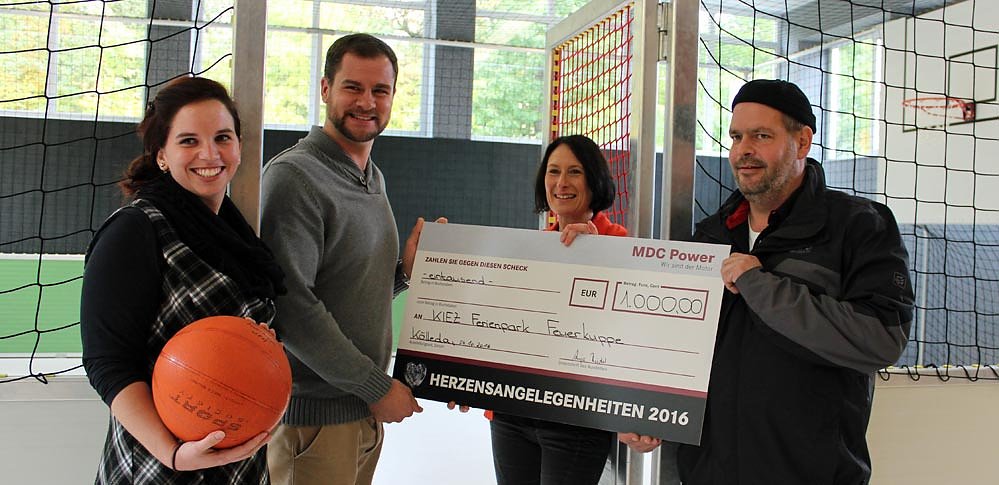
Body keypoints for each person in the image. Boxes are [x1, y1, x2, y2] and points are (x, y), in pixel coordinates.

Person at [619, 79, 914, 484]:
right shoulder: (711, 237)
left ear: (802, 141)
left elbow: (881, 339)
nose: (744, 150)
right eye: (736, 137)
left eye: (761, 136)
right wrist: (649, 411)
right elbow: (679, 347)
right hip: (709, 474)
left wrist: (759, 284)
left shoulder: (859, 225)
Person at [81, 76, 287, 484]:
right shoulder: (135, 229)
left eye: (222, 138)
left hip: (239, 465)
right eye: (189, 141)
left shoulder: (237, 234)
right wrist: (173, 454)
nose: (210, 153)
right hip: (159, 466)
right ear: (162, 155)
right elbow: (107, 363)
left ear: (239, 146)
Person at [260, 33, 441, 485]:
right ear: (325, 89)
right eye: (353, 87)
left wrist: (404, 274)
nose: (367, 102)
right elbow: (291, 305)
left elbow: (344, 288)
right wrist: (376, 387)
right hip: (313, 423)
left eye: (380, 90)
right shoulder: (295, 176)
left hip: (358, 414)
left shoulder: (370, 177)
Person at [484, 134, 627, 485]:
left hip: (574, 421)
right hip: (512, 414)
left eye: (574, 172)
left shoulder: (619, 245)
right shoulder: (531, 249)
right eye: (553, 171)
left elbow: (621, 337)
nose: (561, 182)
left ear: (594, 180)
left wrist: (594, 256)